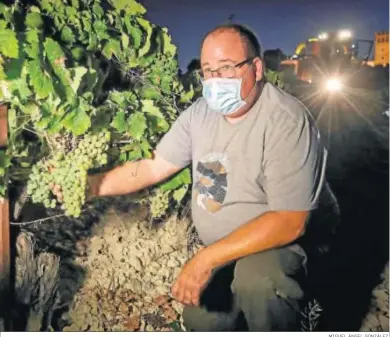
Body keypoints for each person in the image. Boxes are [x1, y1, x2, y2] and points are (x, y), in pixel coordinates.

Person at [53, 23, 340, 331]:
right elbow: (152, 168)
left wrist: (205, 260)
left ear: (256, 68)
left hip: (280, 245)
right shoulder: (199, 114)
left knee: (259, 282)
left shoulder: (285, 120)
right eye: (208, 70)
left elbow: (289, 221)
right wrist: (92, 185)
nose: (215, 81)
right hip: (226, 249)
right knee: (201, 317)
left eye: (227, 68)